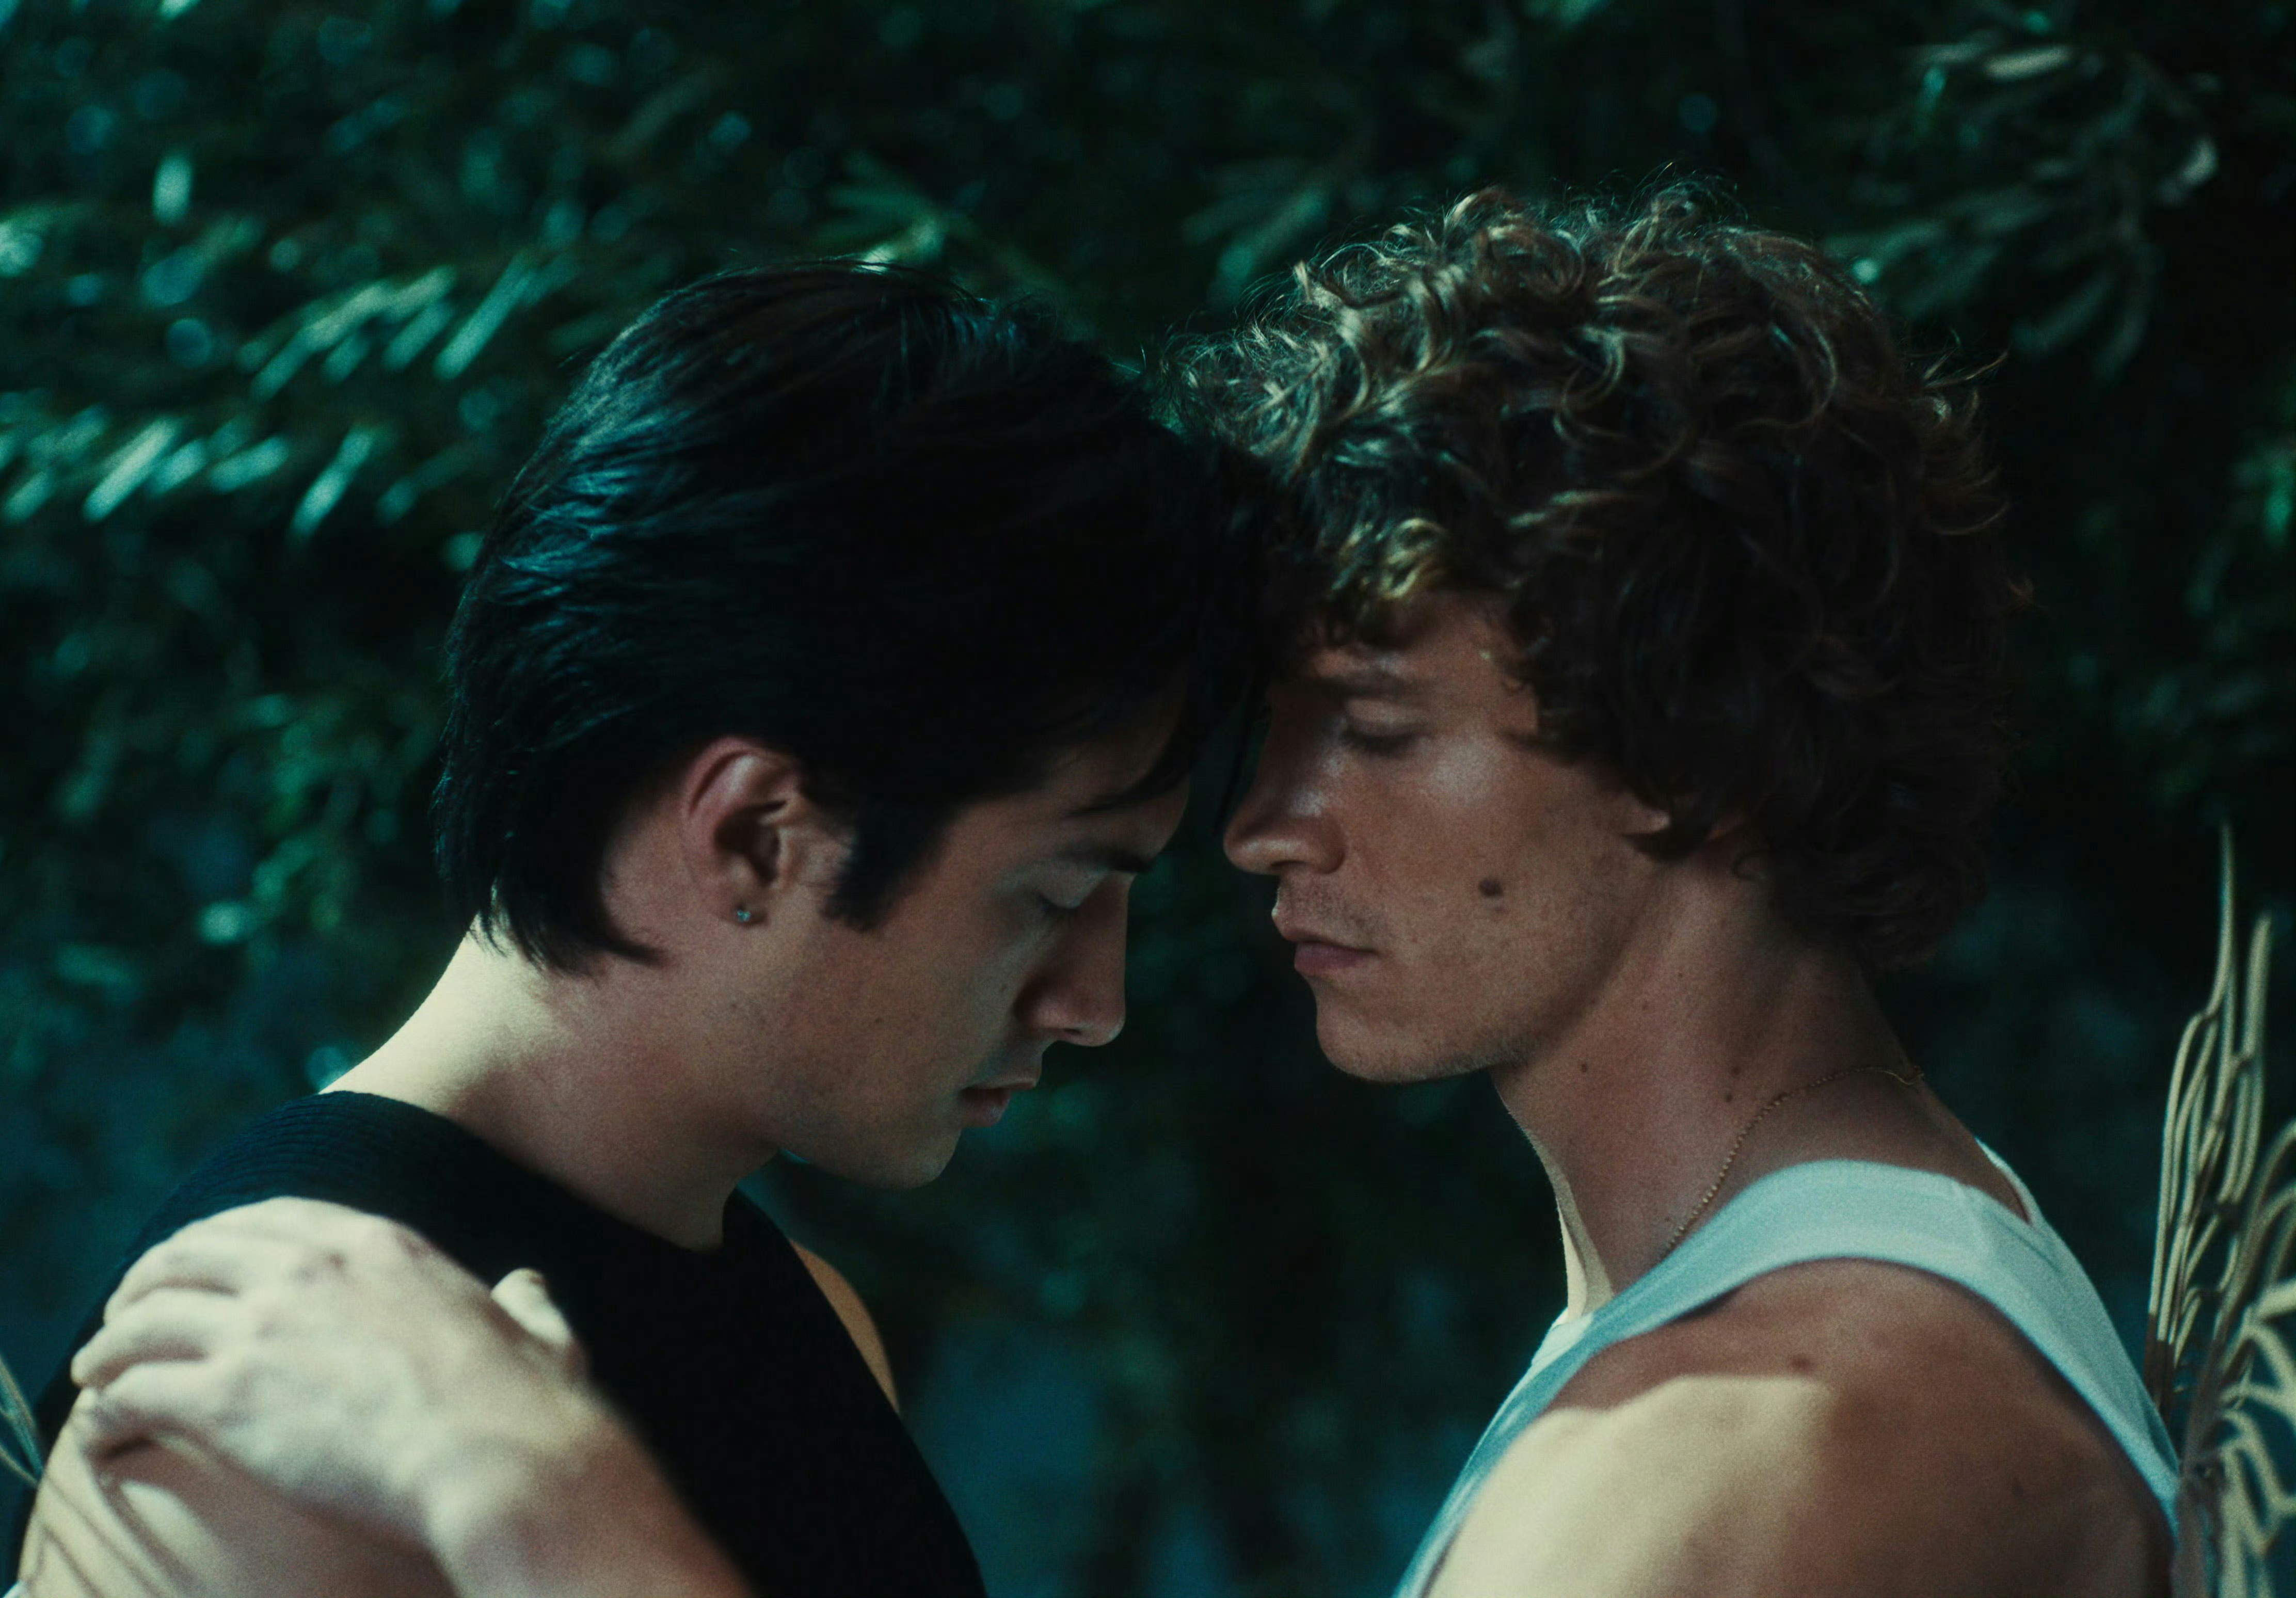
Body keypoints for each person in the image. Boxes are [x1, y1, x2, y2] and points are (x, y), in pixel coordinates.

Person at [30, 185, 2179, 1597]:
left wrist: (536, 1505)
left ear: (1698, 750)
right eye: (1061, 880)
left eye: (1376, 722)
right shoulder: (260, 1392)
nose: (1262, 836)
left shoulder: (1766, 1433)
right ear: (750, 835)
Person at [8, 262, 1258, 1597]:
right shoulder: (254, 1421)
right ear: (755, 834)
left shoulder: (800, 1324)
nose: (1095, 1001)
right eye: (1055, 896)